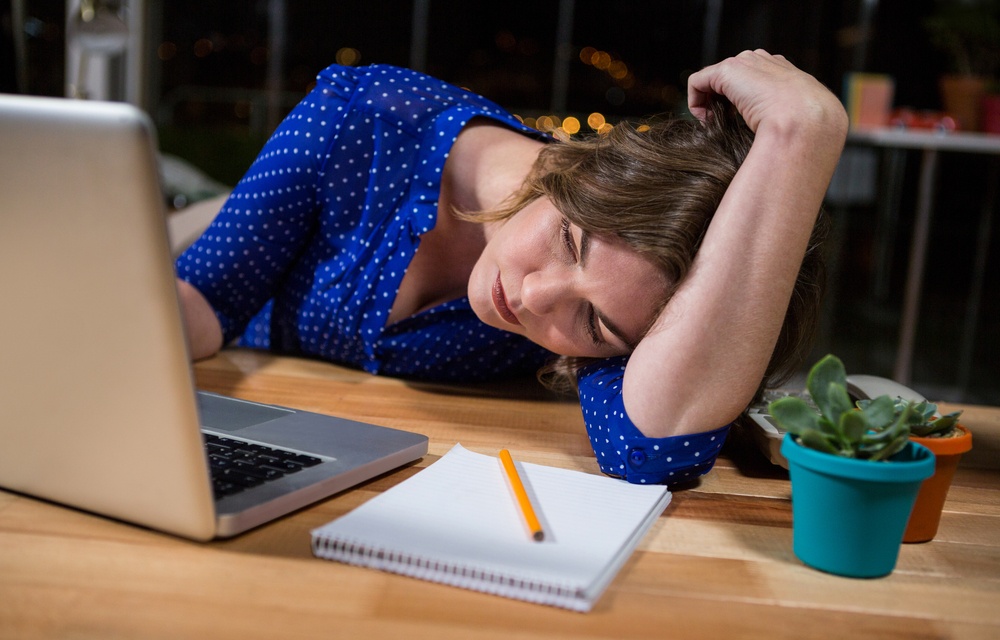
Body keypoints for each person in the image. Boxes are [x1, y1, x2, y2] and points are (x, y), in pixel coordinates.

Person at [176, 49, 848, 485]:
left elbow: (650, 447)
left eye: (589, 320)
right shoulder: (361, 117)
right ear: (571, 159)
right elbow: (202, 308)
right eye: (566, 241)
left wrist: (801, 135)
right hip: (170, 244)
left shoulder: (625, 311)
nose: (532, 297)